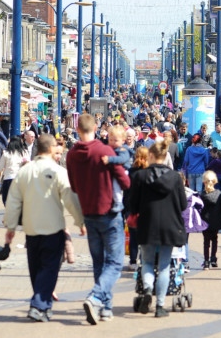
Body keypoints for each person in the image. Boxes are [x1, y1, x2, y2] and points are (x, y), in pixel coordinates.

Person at [4, 134, 85, 323]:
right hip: (53, 228)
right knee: (49, 268)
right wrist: (80, 222)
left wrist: (10, 226)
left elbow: (13, 200)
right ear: (50, 149)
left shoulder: (24, 171)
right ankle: (38, 304)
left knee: (36, 268)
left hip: (31, 229)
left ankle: (44, 306)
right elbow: (70, 199)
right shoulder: (58, 171)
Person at [66, 113, 130, 325]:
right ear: (95, 127)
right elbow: (124, 180)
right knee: (115, 262)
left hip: (88, 213)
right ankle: (95, 297)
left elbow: (74, 187)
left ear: (77, 128)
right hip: (110, 213)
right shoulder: (104, 151)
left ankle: (105, 308)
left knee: (99, 262)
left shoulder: (72, 154)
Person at [128, 140, 187, 318]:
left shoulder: (140, 177)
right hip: (169, 226)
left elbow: (132, 204)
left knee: (146, 262)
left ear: (151, 156)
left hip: (147, 225)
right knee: (163, 266)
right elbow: (183, 205)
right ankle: (160, 306)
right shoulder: (176, 178)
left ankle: (147, 289)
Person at [124, 146, 150, 272]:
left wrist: (125, 210)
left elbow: (126, 191)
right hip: (146, 209)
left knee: (133, 237)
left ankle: (133, 261)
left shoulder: (131, 171)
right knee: (145, 237)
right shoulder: (150, 172)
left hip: (132, 208)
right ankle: (144, 260)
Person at [101, 124, 133, 213]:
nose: (112, 142)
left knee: (115, 185)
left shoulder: (123, 149)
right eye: (110, 140)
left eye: (115, 140)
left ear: (123, 140)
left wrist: (110, 159)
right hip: (117, 171)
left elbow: (122, 159)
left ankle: (118, 202)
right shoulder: (111, 147)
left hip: (124, 171)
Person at [200, 170, 221, 270]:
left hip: (205, 222)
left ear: (204, 182)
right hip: (216, 221)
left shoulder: (202, 195)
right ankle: (213, 258)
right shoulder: (219, 195)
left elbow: (199, 210)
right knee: (215, 239)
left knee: (206, 241)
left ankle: (206, 261)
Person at [0, 136, 30, 206]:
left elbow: (0, 168)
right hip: (21, 178)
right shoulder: (25, 152)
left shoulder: (6, 153)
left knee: (6, 198)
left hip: (8, 178)